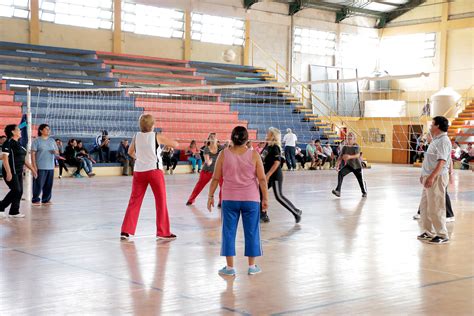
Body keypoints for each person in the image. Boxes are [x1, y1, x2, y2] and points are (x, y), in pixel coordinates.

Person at [207, 126, 269, 276]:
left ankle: (229, 268)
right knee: (252, 231)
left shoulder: (223, 154)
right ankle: (252, 266)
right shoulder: (254, 155)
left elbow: (215, 178)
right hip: (251, 200)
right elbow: (262, 179)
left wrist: (210, 196)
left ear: (232, 138)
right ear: (247, 139)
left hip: (229, 199)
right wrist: (265, 198)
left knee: (228, 232)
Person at [120, 114, 178, 241]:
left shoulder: (136, 136)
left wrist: (141, 159)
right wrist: (169, 144)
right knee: (161, 201)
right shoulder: (156, 136)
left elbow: (130, 152)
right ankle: (163, 232)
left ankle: (125, 231)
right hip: (154, 171)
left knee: (134, 201)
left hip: (139, 171)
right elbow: (175, 144)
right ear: (153, 125)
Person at [417, 116, 452, 244]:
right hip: (428, 176)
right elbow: (429, 160)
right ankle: (428, 231)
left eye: (432, 124)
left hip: (437, 177)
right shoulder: (436, 140)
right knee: (425, 206)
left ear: (437, 126)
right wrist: (423, 174)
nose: (430, 126)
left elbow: (442, 162)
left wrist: (431, 177)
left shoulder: (443, 141)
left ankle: (442, 234)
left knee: (436, 206)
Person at [260, 127, 302, 223]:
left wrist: (268, 175)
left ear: (273, 135)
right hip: (267, 174)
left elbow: (277, 163)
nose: (267, 133)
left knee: (278, 196)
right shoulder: (267, 145)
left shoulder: (275, 147)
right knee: (260, 192)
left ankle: (296, 212)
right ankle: (263, 215)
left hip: (274, 176)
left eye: (269, 132)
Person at [1, 124, 37, 218]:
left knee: (19, 191)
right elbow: (4, 158)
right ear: (13, 132)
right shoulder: (8, 143)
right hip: (11, 171)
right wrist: (8, 172)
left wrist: (32, 169)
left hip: (19, 171)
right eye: (18, 130)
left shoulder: (19, 144)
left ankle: (14, 211)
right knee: (16, 190)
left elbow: (23, 159)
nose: (20, 131)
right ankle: (1, 207)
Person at [186, 134, 223, 207]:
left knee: (223, 186)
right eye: (211, 137)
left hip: (218, 171)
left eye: (214, 137)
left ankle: (221, 202)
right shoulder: (206, 148)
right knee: (199, 186)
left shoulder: (221, 148)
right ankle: (191, 199)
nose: (213, 138)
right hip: (207, 171)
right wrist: (209, 161)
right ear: (209, 139)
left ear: (216, 140)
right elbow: (207, 161)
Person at [332, 132, 367, 198]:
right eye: (348, 137)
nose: (349, 138)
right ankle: (338, 191)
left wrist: (349, 157)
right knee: (340, 173)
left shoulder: (356, 146)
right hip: (349, 165)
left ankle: (364, 192)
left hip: (357, 166)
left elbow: (358, 155)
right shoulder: (345, 147)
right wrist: (337, 165)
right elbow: (340, 157)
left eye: (351, 137)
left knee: (360, 181)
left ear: (354, 139)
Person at [31, 124, 59, 206]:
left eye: (49, 129)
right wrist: (34, 166)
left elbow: (57, 152)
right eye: (46, 129)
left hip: (50, 166)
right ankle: (35, 199)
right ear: (41, 131)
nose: (48, 131)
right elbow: (33, 154)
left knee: (48, 184)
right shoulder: (36, 141)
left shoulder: (52, 141)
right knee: (38, 184)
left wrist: (55, 152)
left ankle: (46, 199)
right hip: (40, 166)